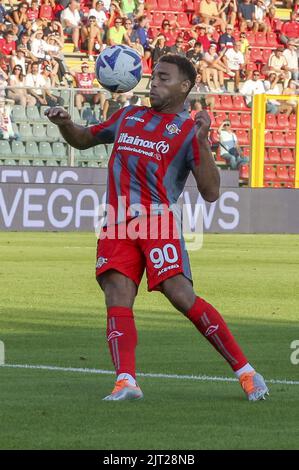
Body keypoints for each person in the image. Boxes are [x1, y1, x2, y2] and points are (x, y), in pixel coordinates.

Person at [45, 54, 269, 403]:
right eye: (153, 78)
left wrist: (204, 140)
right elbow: (84, 139)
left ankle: (247, 373)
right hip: (116, 221)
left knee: (181, 295)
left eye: (164, 79)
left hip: (157, 220)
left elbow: (211, 193)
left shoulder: (187, 132)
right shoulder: (128, 116)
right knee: (117, 295)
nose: (154, 84)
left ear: (185, 87)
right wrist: (64, 123)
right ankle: (126, 382)